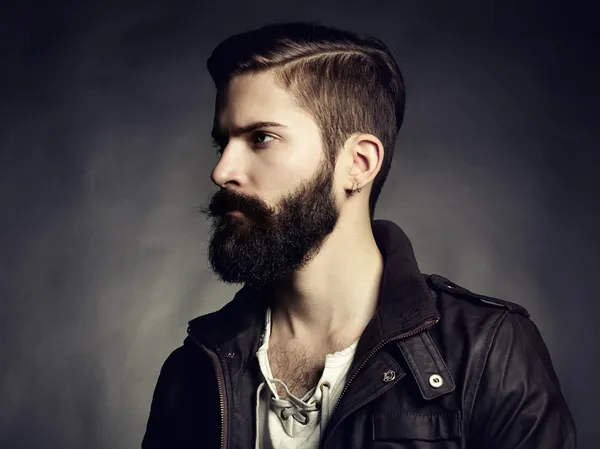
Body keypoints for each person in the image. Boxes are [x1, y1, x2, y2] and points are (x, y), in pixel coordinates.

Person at [141, 21, 576, 449]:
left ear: (359, 163)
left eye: (261, 137)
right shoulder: (197, 370)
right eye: (224, 144)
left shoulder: (489, 352)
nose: (221, 172)